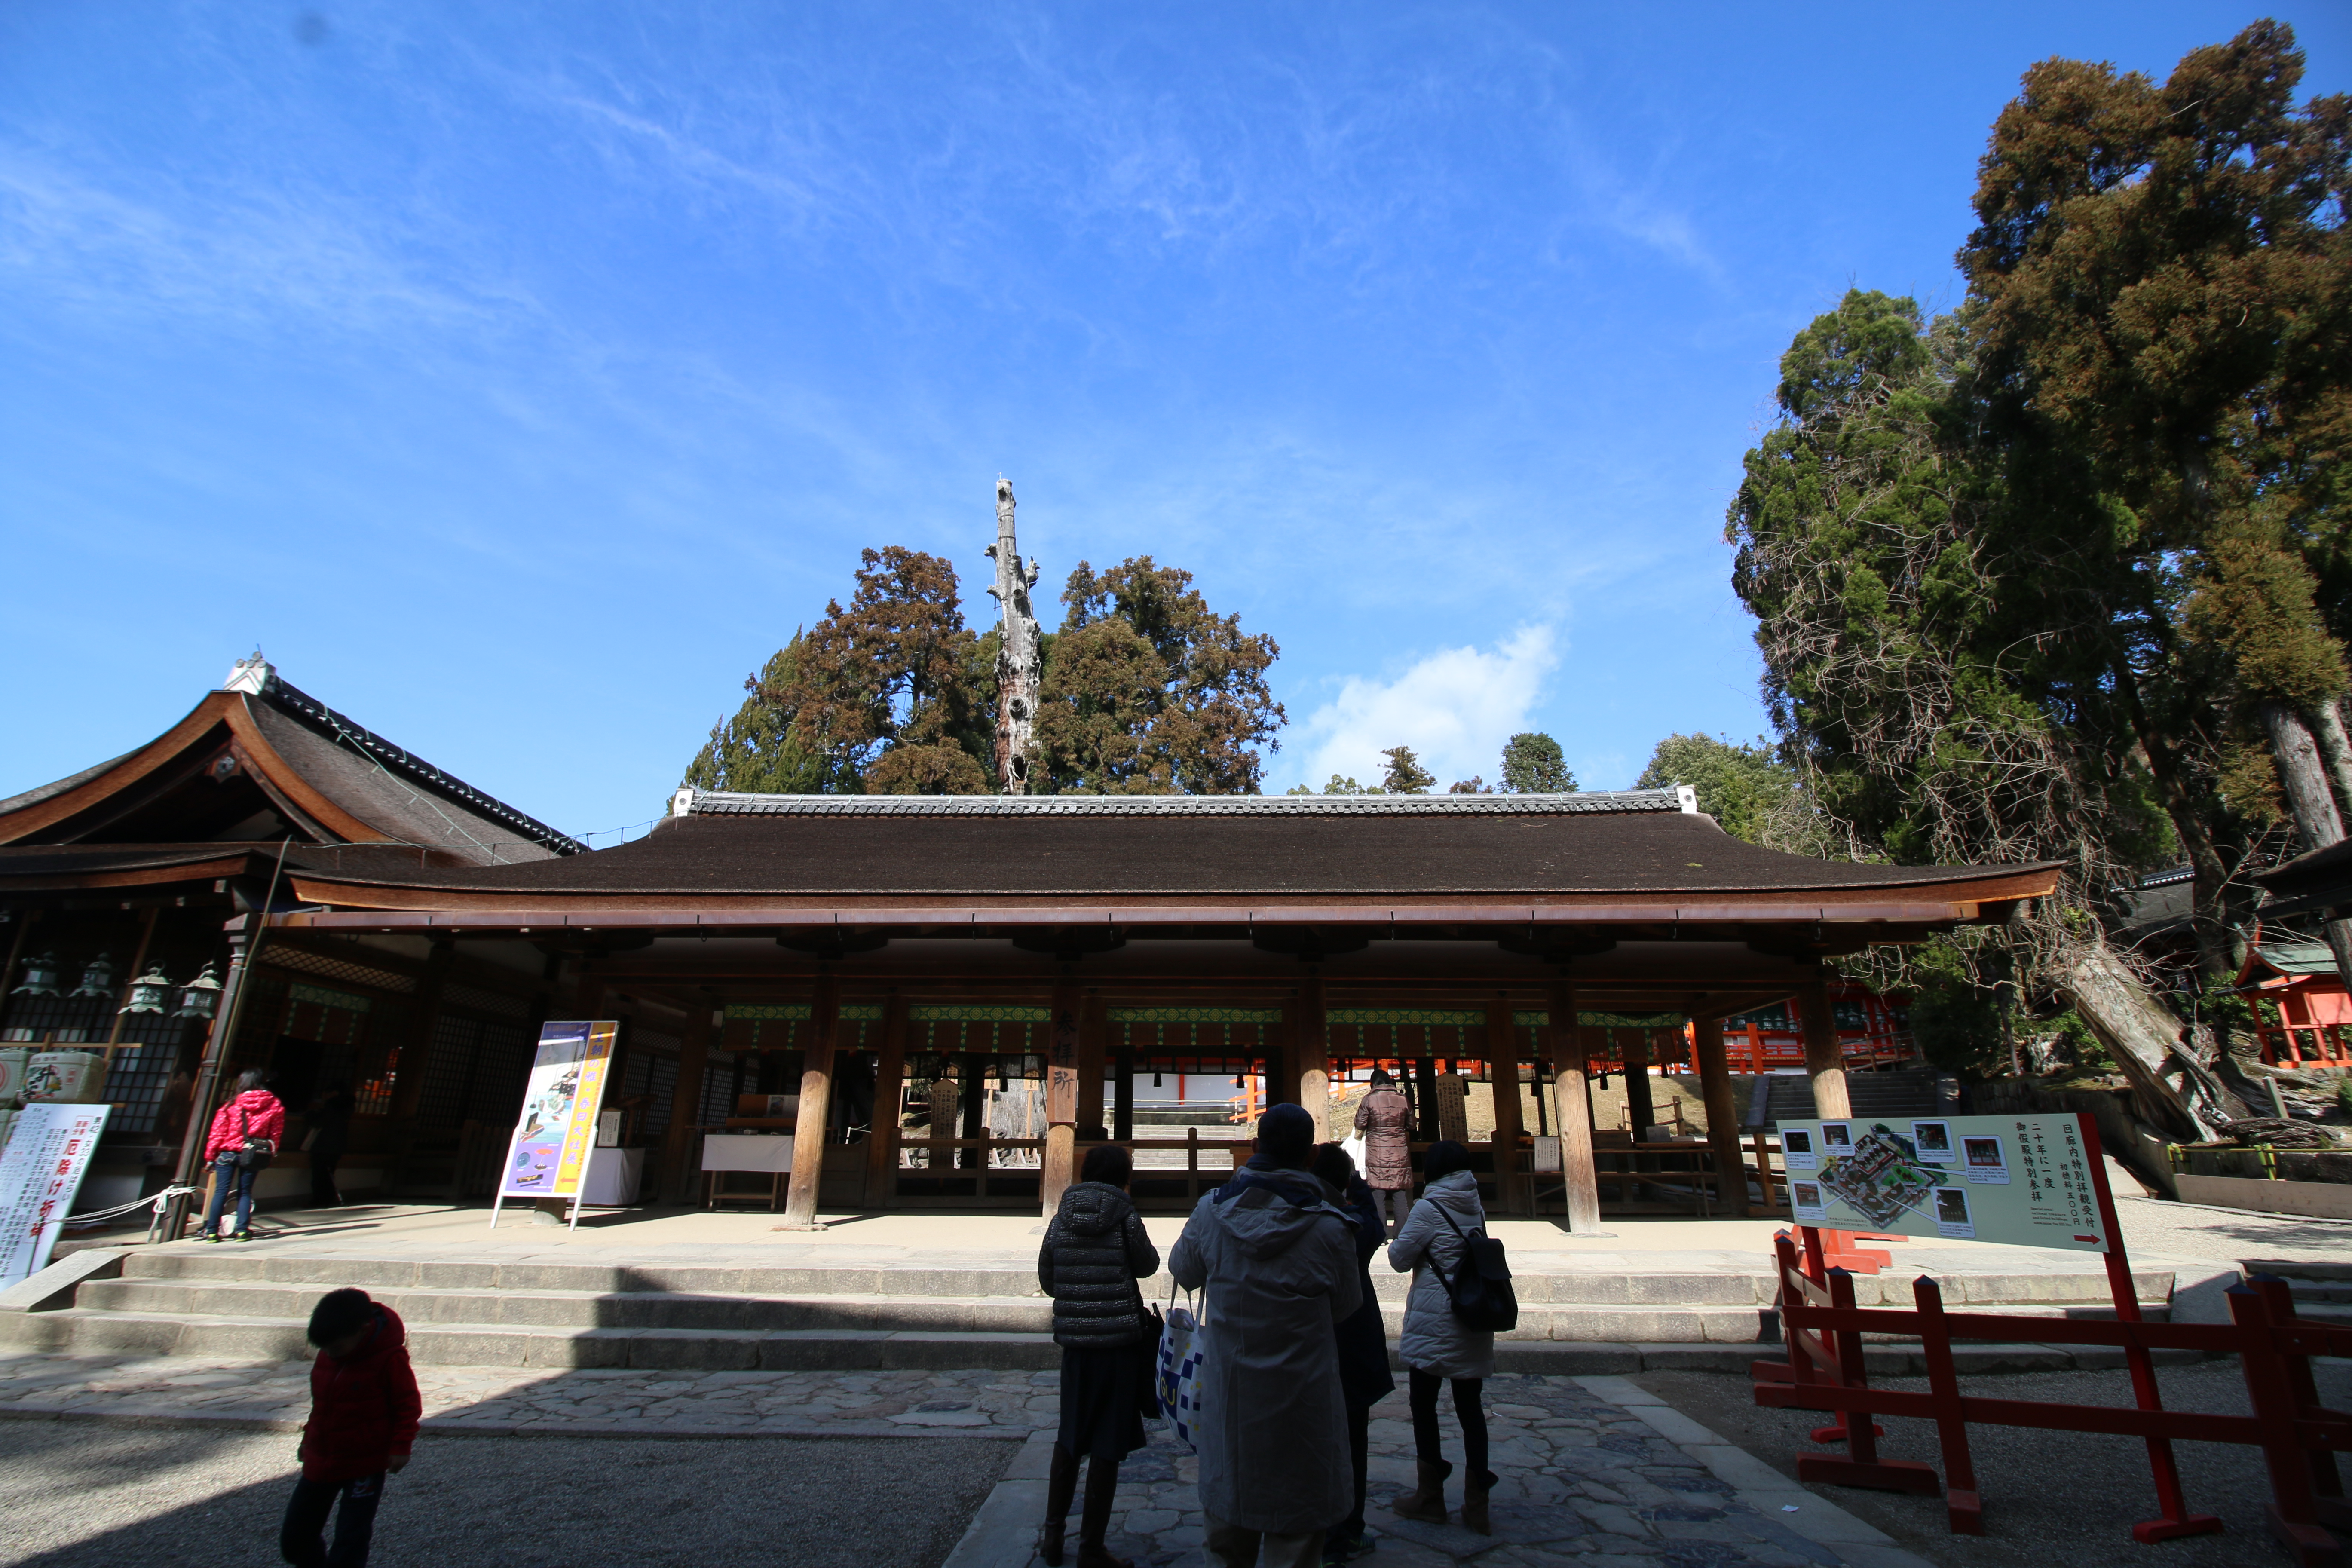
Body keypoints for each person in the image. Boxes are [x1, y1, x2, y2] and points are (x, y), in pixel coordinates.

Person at [1170, 1103, 1361, 1568]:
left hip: (1232, 1393)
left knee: (1226, 1536)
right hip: (1304, 1399)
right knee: (1296, 1542)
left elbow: (1182, 1270)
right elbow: (1346, 1306)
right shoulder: (1331, 1228)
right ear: (1311, 1156)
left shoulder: (1211, 1214)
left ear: (1255, 1147)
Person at [1038, 1143, 1161, 1568]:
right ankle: (1092, 1545)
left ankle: (1053, 1533)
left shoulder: (1061, 1218)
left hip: (1076, 1343)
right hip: (1119, 1344)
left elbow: (1048, 1277)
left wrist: (1076, 1295)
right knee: (1108, 1443)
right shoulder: (1125, 1216)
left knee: (1069, 1436)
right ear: (1124, 1176)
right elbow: (1146, 1265)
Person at [1386, 1139, 1497, 1533]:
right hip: (1471, 1317)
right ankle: (1477, 1502)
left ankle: (1430, 1494)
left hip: (1436, 1319)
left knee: (1424, 1405)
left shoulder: (1429, 1208)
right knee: (1471, 1410)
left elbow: (1399, 1259)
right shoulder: (1475, 1206)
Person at [282, 1287, 420, 1568]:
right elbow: (322, 1403)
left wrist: (401, 1446)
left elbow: (407, 1405)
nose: (331, 1354)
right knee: (295, 1537)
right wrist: (309, 1439)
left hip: (364, 1463)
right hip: (322, 1456)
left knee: (351, 1538)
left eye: (337, 1348)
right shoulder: (329, 1354)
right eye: (325, 1349)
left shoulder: (390, 1357)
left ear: (363, 1330)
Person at [1309, 1141, 1395, 1567]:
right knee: (1352, 1439)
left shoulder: (1302, 1221)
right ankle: (1348, 1528)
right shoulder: (1349, 1228)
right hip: (1352, 1342)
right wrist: (1356, 1181)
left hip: (1306, 1345)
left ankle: (1308, 1530)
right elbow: (1377, 1228)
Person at [199, 1069, 285, 1241]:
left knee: (220, 1192)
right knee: (245, 1192)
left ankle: (212, 1232)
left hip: (228, 1152)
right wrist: (271, 1153)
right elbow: (276, 1133)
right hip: (253, 1153)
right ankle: (242, 1230)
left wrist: (210, 1157)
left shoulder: (231, 1105)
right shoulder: (274, 1105)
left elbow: (217, 1133)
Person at [1351, 1069, 1415, 1238]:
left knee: (1377, 1194)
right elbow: (1412, 1124)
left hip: (1376, 1152)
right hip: (1399, 1152)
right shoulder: (1402, 1099)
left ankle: (1381, 1234)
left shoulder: (1369, 1099)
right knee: (1400, 1194)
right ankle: (1401, 1234)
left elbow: (1360, 1123)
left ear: (1373, 1084)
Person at [304, 1081, 355, 1208]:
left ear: (333, 1094)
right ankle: (328, 1198)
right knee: (330, 1172)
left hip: (324, 1143)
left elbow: (319, 1123)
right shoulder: (347, 1106)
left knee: (319, 1175)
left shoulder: (332, 1106)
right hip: (338, 1145)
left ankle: (319, 1200)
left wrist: (310, 1114)